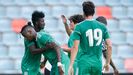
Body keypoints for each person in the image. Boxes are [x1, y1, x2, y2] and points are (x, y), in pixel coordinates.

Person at [68, 1, 112, 75]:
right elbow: (109, 46)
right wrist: (107, 63)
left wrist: (71, 65)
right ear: (93, 12)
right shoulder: (102, 27)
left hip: (84, 63)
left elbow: (75, 47)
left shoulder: (79, 26)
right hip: (98, 63)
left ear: (83, 12)